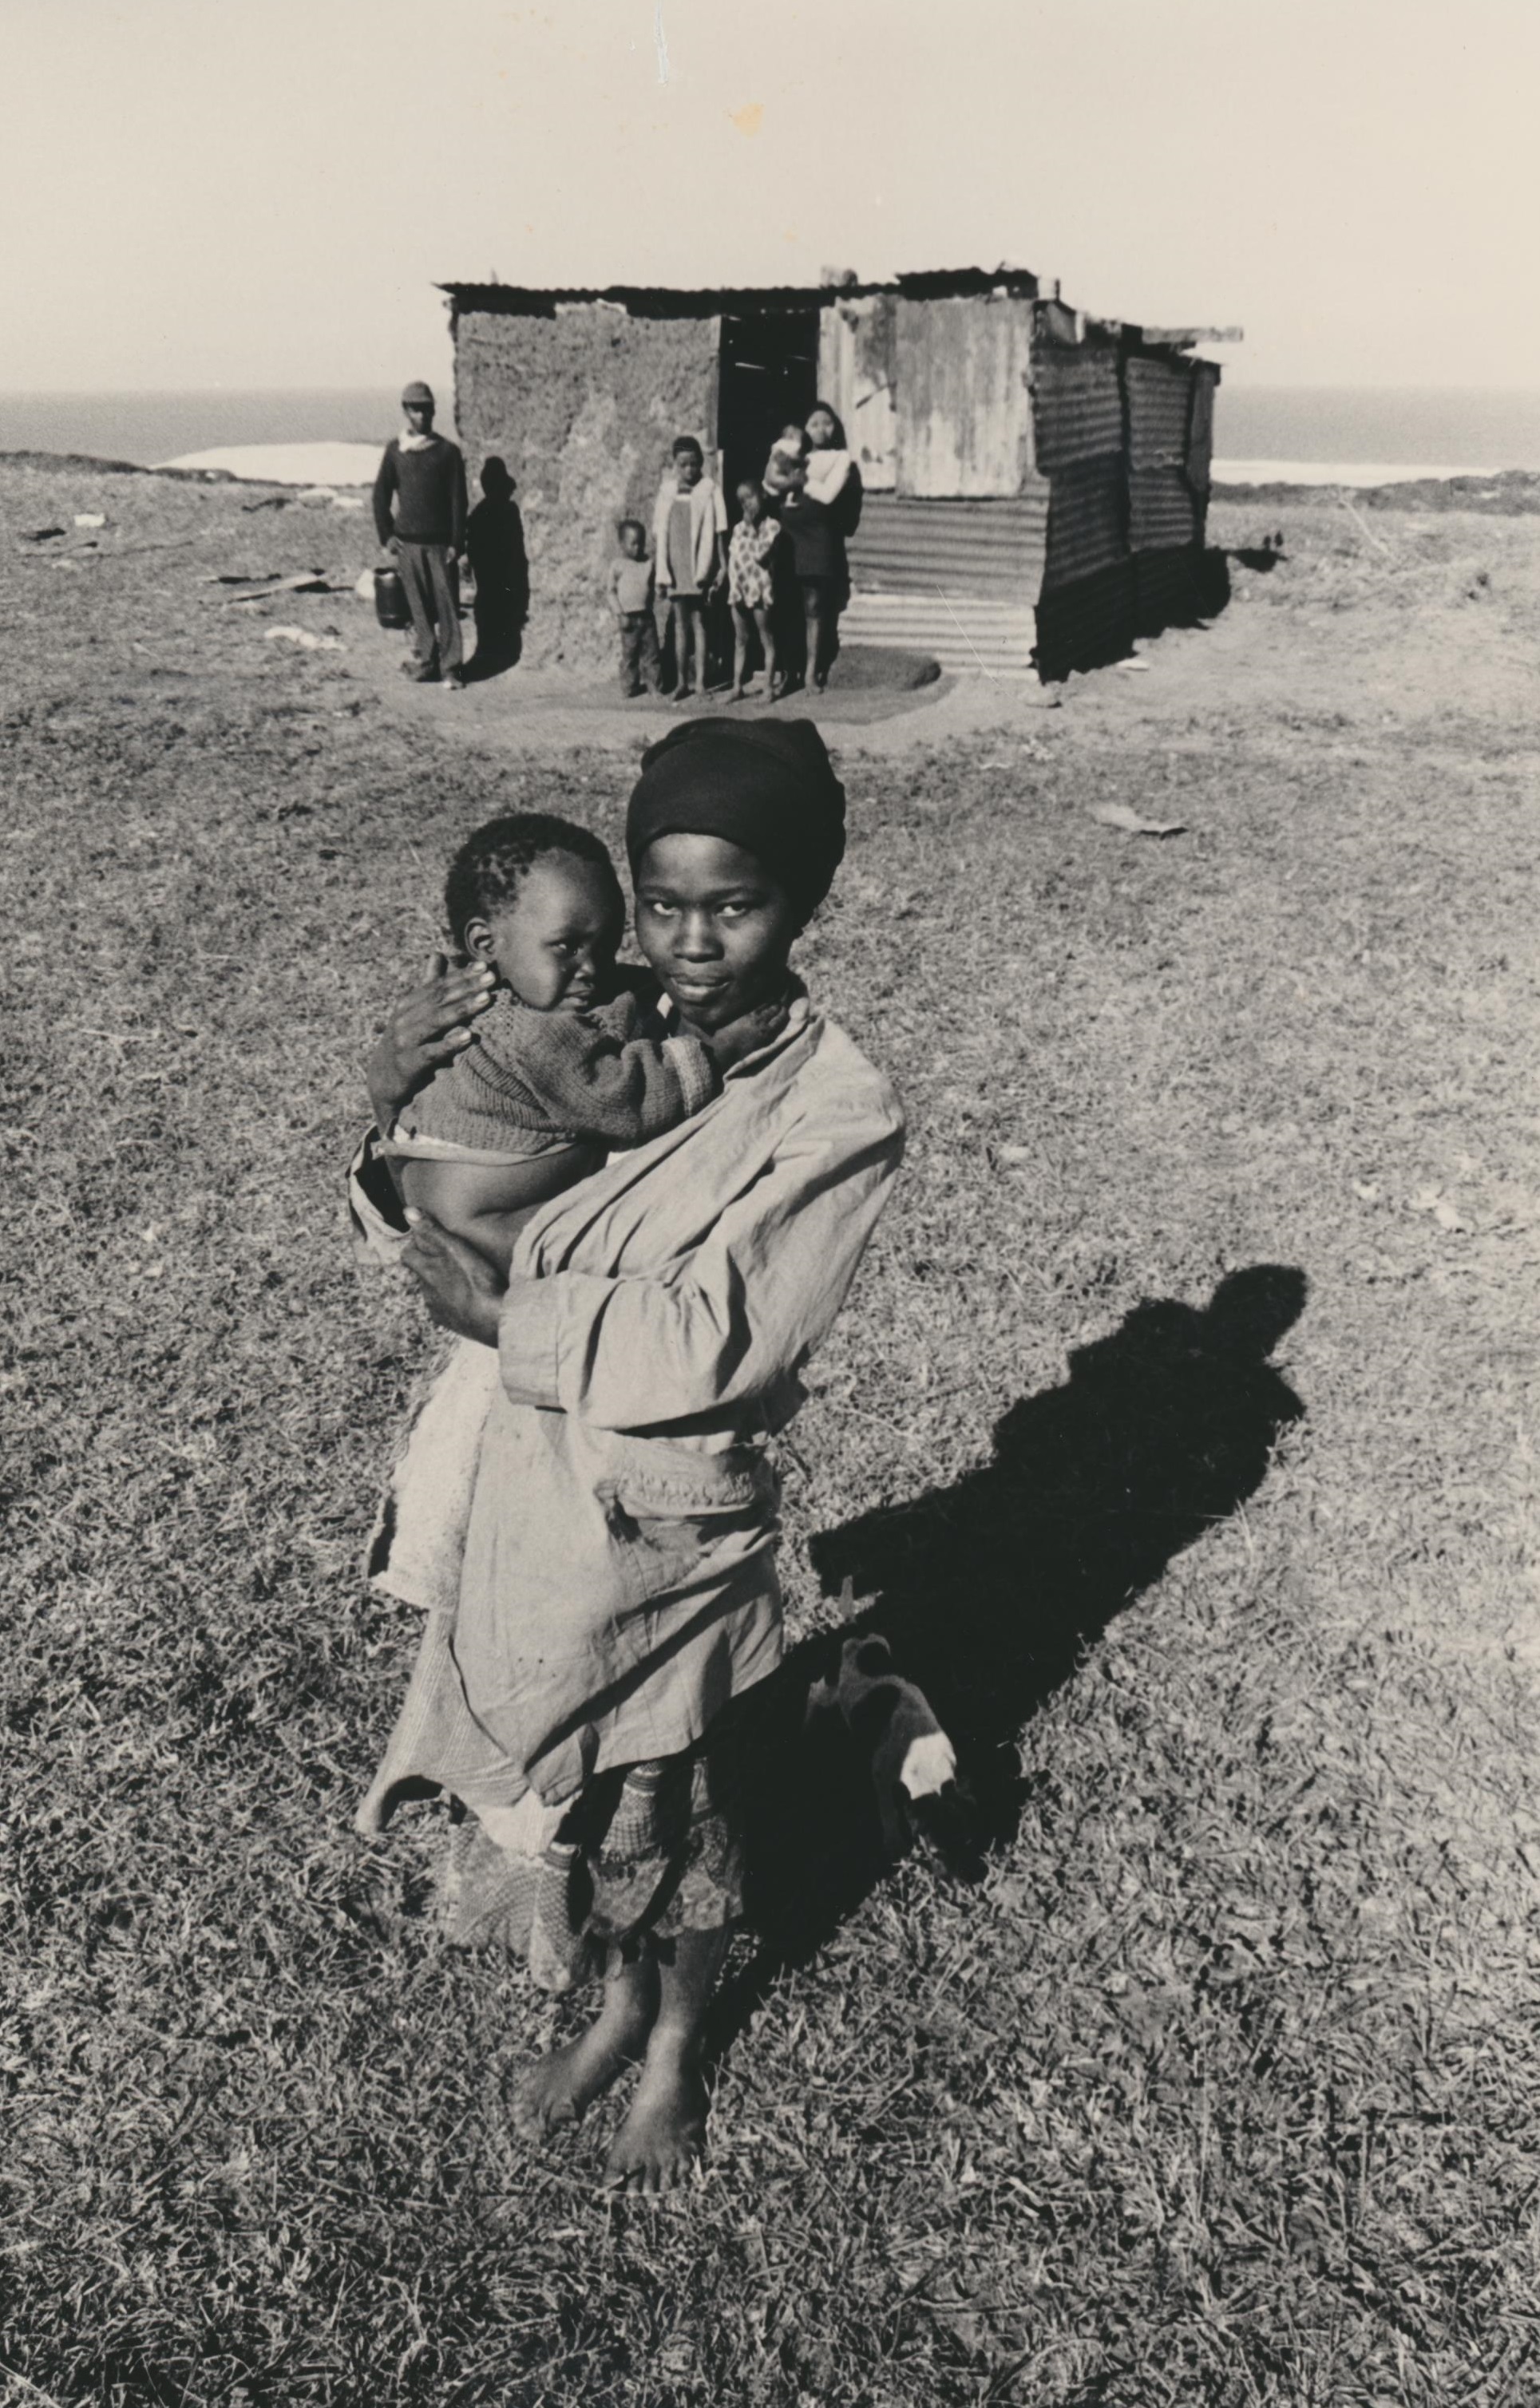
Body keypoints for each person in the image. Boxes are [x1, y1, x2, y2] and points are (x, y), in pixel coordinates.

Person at [352, 717, 904, 2193]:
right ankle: (612, 2005)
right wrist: (392, 1105)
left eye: (735, 906)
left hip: (669, 1523)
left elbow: (722, 1340)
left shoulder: (835, 1104)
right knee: (589, 1794)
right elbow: (458, 1186)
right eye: (661, 905)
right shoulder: (604, 1011)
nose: (691, 943)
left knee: (685, 1807)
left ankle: (672, 2047)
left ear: (802, 900)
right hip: (534, 1493)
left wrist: (502, 1315)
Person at [382, 812, 776, 1275]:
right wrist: (713, 1050)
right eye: (567, 948)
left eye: (605, 947)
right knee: (630, 1245)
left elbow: (614, 989)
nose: (591, 969)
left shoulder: (489, 991)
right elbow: (621, 1100)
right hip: (483, 1225)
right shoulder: (530, 1033)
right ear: (486, 943)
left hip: (451, 1199)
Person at [373, 381, 469, 690]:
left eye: (427, 409)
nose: (422, 415)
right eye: (416, 409)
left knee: (447, 606)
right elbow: (380, 496)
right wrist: (387, 536)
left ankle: (451, 667)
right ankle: (427, 662)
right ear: (406, 411)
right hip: (408, 545)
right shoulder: (395, 451)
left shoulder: (447, 452)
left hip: (440, 546)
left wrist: (457, 543)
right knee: (418, 608)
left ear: (434, 411)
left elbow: (458, 501)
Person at [771, 401, 863, 695]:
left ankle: (811, 672)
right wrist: (787, 477)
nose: (821, 429)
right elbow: (770, 486)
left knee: (814, 606)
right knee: (787, 605)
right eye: (814, 423)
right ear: (804, 429)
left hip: (818, 538)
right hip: (789, 536)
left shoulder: (841, 458)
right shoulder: (794, 454)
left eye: (827, 422)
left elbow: (827, 494)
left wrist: (796, 480)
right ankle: (789, 672)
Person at [651, 437, 726, 704]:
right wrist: (661, 570)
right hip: (675, 565)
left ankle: (701, 683)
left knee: (700, 623)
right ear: (675, 464)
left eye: (694, 464)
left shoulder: (709, 489)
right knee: (680, 625)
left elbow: (720, 530)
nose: (689, 470)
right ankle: (682, 682)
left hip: (698, 566)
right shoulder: (667, 492)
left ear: (701, 463)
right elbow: (659, 532)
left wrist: (722, 565)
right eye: (683, 464)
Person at [464, 457, 529, 674]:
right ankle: (498, 651)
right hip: (504, 572)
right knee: (500, 610)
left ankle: (489, 652)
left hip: (488, 574)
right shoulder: (509, 510)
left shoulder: (479, 513)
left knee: (487, 610)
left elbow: (473, 546)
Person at [726, 480, 782, 702]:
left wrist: (751, 527)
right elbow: (734, 556)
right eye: (742, 501)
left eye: (750, 497)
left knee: (766, 637)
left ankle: (768, 688)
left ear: (762, 496)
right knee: (740, 639)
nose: (747, 504)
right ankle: (737, 686)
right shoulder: (738, 529)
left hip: (759, 589)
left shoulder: (772, 526)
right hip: (739, 589)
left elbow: (760, 553)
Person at [608, 518, 660, 699]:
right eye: (633, 543)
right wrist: (619, 613)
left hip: (647, 616)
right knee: (630, 655)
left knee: (651, 654)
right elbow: (611, 592)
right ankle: (629, 687)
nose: (638, 548)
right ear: (622, 544)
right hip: (628, 618)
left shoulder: (648, 563)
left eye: (641, 543)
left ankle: (654, 686)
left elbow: (652, 586)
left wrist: (656, 596)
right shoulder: (617, 565)